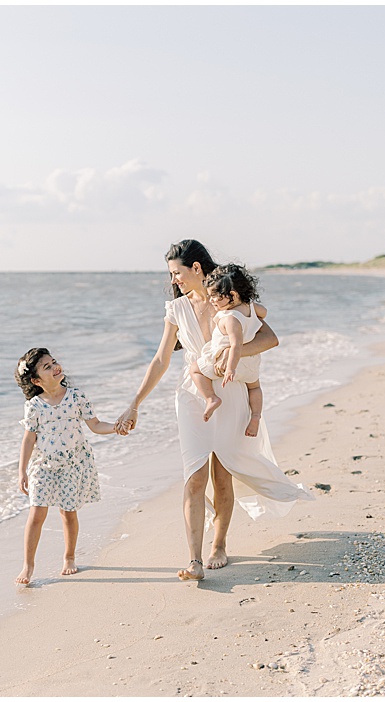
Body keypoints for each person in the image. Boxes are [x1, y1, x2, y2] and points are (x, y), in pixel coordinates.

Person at [114, 240, 312, 582]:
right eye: (171, 274)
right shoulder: (176, 309)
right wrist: (134, 404)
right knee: (194, 475)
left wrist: (233, 352)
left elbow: (271, 339)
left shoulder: (230, 298)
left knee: (223, 474)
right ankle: (194, 560)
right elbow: (161, 359)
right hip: (194, 394)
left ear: (196, 268)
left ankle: (218, 545)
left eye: (176, 272)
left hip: (231, 390)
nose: (173, 279)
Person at [12, 348, 120, 585]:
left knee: (68, 513)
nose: (55, 367)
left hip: (73, 464)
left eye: (54, 362)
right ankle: (28, 565)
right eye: (47, 367)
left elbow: (96, 425)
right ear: (36, 380)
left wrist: (117, 427)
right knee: (36, 512)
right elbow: (29, 439)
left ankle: (69, 557)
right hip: (43, 465)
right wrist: (22, 471)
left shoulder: (76, 396)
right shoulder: (35, 405)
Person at [188, 264, 268, 437]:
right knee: (254, 388)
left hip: (227, 363)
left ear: (232, 295)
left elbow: (236, 345)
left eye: (215, 297)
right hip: (250, 363)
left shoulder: (230, 318)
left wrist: (230, 368)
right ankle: (255, 416)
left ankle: (211, 398)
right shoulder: (251, 308)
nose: (211, 301)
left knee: (194, 369)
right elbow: (264, 312)